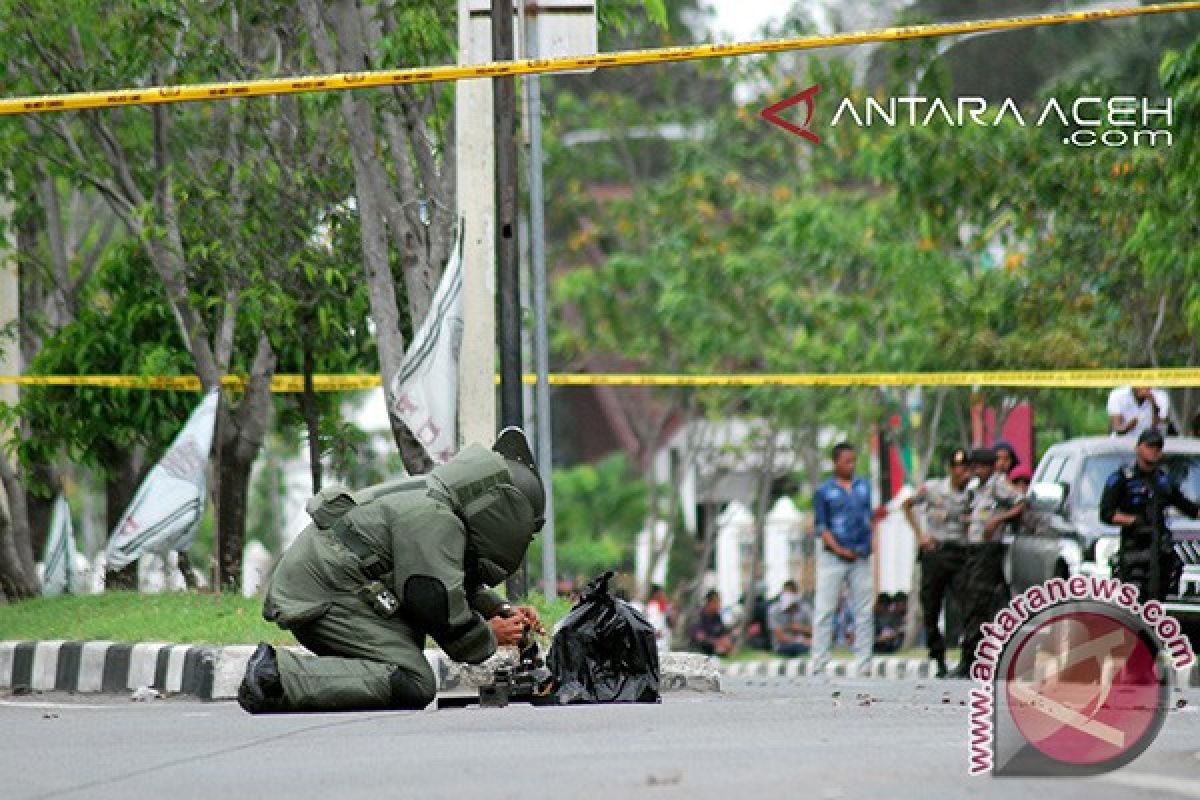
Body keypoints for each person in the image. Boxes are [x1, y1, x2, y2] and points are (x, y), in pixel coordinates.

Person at [237, 427, 547, 713]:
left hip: (334, 584)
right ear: (503, 509)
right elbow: (434, 602)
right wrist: (489, 636)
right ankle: (276, 676)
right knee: (412, 680)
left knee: (398, 665)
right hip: (326, 593)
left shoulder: (438, 503)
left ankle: (288, 674)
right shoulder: (435, 519)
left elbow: (454, 584)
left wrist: (503, 610)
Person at [1100, 428, 1200, 603]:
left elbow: (1189, 508)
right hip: (1135, 551)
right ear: (1139, 448)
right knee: (1134, 600)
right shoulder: (1122, 479)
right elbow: (1106, 513)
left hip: (1160, 552)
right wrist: (1133, 521)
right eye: (1150, 446)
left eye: (1158, 447)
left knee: (1158, 601)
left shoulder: (1163, 481)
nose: (1154, 451)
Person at [902, 448, 973, 678]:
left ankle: (967, 657)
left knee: (967, 606)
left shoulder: (973, 494)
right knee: (931, 607)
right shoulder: (934, 489)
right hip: (936, 552)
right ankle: (937, 657)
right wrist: (920, 534)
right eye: (960, 467)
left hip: (961, 553)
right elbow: (907, 505)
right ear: (952, 469)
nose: (964, 473)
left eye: (967, 468)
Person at [955, 447, 1025, 679]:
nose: (976, 471)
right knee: (969, 603)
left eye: (980, 467)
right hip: (972, 550)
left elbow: (1021, 502)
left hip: (989, 551)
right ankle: (969, 659)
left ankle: (975, 660)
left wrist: (997, 520)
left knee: (979, 603)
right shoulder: (976, 488)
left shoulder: (998, 484)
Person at [811, 442, 875, 675]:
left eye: (853, 461)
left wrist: (870, 543)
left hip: (860, 556)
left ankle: (864, 664)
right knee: (825, 610)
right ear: (835, 462)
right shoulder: (824, 491)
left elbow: (869, 519)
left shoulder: (863, 487)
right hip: (834, 557)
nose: (851, 465)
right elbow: (821, 527)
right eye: (847, 461)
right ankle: (819, 664)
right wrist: (838, 549)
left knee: (864, 612)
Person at [767, 580, 813, 657]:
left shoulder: (805, 608)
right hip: (783, 645)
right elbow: (780, 637)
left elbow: (815, 630)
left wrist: (801, 628)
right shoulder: (774, 610)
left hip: (806, 642)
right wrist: (802, 641)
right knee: (801, 647)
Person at [689, 589, 734, 656]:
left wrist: (726, 641)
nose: (719, 604)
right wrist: (717, 643)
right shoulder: (699, 616)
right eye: (717, 602)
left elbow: (723, 633)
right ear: (709, 603)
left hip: (715, 647)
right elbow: (700, 637)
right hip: (699, 650)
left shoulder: (717, 616)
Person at [642, 584, 674, 650]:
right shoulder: (653, 606)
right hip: (657, 638)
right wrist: (655, 632)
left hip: (663, 638)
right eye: (661, 592)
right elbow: (652, 621)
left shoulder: (663, 605)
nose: (664, 594)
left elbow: (668, 621)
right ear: (656, 594)